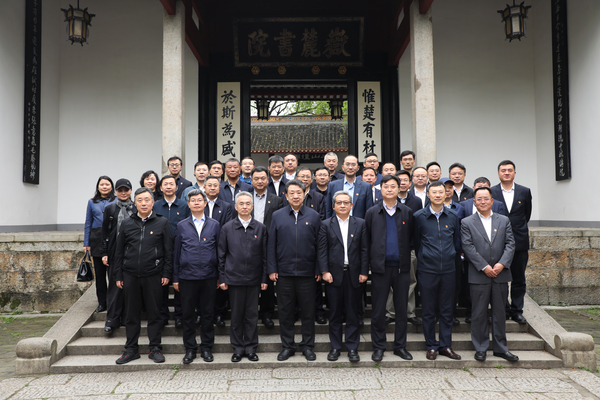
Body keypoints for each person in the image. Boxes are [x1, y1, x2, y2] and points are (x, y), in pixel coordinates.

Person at [113, 188, 172, 365]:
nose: (144, 203)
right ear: (135, 203)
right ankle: (131, 349)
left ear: (153, 202)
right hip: (130, 275)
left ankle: (155, 348)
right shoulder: (127, 223)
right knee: (131, 314)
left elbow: (169, 251)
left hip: (154, 275)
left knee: (155, 313)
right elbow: (119, 251)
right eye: (140, 200)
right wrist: (118, 275)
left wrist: (167, 273)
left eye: (147, 200)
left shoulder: (162, 223)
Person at [267, 179, 322, 361]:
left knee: (308, 311)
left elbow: (319, 245)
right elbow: (271, 244)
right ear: (286, 195)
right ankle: (288, 346)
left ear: (305, 193)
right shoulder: (277, 215)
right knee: (285, 312)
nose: (296, 196)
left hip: (307, 273)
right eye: (292, 193)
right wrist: (272, 268)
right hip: (284, 273)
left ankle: (307, 345)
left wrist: (318, 268)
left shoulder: (314, 216)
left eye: (299, 192)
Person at [462, 186, 518, 362]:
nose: (483, 202)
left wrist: (501, 264)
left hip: (501, 274)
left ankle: (501, 348)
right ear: (474, 202)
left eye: (486, 198)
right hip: (479, 275)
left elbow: (510, 244)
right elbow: (468, 247)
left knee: (500, 313)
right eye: (479, 199)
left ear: (492, 201)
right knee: (479, 313)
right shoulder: (466, 222)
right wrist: (484, 266)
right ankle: (480, 347)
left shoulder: (504, 220)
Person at [365, 175, 414, 362]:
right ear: (381, 189)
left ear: (399, 188)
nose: (390, 189)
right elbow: (367, 240)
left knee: (401, 309)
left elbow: (411, 238)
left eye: (393, 186)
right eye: (386, 186)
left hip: (401, 268)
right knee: (378, 310)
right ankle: (378, 346)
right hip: (380, 268)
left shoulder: (407, 211)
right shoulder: (372, 212)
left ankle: (400, 346)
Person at [318, 191, 368, 363]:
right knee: (335, 314)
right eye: (339, 202)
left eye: (346, 202)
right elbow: (322, 250)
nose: (342, 205)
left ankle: (353, 347)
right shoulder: (325, 224)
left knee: (353, 313)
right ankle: (335, 347)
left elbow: (364, 250)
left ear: (351, 205)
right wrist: (324, 271)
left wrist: (364, 271)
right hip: (333, 275)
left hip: (354, 275)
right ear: (333, 206)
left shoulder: (360, 224)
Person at [413, 181, 461, 361]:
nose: (438, 195)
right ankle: (431, 345)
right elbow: (417, 242)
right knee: (428, 310)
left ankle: (445, 345)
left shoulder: (453, 216)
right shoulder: (419, 216)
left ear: (446, 194)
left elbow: (456, 241)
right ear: (428, 194)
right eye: (434, 192)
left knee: (447, 309)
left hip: (448, 269)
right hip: (427, 269)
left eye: (441, 192)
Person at [218, 191, 268, 362]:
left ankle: (251, 347)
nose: (245, 207)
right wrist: (223, 278)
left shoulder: (260, 228)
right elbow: (221, 256)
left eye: (248, 204)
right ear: (236, 206)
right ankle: (238, 348)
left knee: (252, 315)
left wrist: (263, 279)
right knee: (237, 315)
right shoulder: (227, 228)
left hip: (254, 280)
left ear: (252, 206)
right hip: (234, 279)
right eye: (242, 204)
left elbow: (264, 256)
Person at [172, 189, 221, 364]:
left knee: (208, 314)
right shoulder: (182, 225)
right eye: (193, 200)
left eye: (200, 200)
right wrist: (176, 277)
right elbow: (176, 253)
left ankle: (207, 348)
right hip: (187, 277)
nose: (196, 203)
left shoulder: (214, 224)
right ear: (189, 204)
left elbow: (219, 252)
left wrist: (219, 276)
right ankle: (190, 349)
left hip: (209, 276)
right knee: (188, 315)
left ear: (205, 203)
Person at [491, 160, 532, 324]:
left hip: (519, 241)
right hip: (497, 242)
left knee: (519, 278)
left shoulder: (524, 191)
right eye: (503, 170)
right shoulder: (492, 191)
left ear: (514, 173)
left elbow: (526, 214)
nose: (506, 173)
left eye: (509, 170)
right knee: (500, 278)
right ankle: (504, 309)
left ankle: (517, 310)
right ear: (498, 173)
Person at [385, 170, 422, 326]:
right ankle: (391, 312)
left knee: (410, 282)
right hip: (389, 250)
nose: (402, 183)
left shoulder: (416, 201)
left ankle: (409, 312)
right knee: (390, 285)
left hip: (409, 250)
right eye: (399, 181)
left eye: (405, 180)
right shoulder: (384, 203)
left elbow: (416, 228)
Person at [154, 175, 190, 328]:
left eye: (171, 184)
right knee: (162, 282)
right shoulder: (155, 205)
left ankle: (179, 314)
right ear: (160, 188)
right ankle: (162, 315)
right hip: (159, 249)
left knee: (179, 283)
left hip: (180, 249)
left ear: (177, 187)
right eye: (165, 184)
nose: (168, 187)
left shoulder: (184, 205)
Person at [250, 166, 283, 328]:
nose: (260, 181)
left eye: (263, 178)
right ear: (251, 180)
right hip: (248, 244)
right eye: (256, 178)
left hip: (269, 244)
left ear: (268, 180)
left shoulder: (276, 200)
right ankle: (250, 313)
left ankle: (267, 314)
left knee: (268, 281)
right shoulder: (244, 197)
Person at [101, 178, 134, 334]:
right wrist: (105, 252)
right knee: (114, 287)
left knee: (129, 287)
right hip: (115, 252)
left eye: (125, 190)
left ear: (130, 191)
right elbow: (105, 232)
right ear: (116, 192)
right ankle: (112, 319)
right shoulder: (110, 209)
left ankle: (128, 318)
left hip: (132, 252)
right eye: (120, 190)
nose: (123, 193)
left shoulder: (136, 208)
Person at [204, 175, 234, 327]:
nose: (212, 188)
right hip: (201, 250)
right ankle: (203, 314)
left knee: (220, 282)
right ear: (204, 187)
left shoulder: (227, 206)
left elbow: (226, 227)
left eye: (215, 185)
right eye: (209, 185)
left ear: (219, 188)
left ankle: (219, 314)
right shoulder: (199, 204)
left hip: (220, 247)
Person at [84, 175, 116, 314]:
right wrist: (87, 242)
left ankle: (113, 302)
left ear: (111, 186)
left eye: (107, 184)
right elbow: (88, 223)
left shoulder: (116, 200)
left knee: (113, 274)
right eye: (102, 184)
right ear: (98, 186)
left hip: (113, 236)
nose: (104, 187)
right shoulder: (92, 202)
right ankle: (102, 303)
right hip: (96, 239)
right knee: (100, 275)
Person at [326, 155, 373, 219]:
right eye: (347, 164)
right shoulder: (333, 185)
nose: (350, 167)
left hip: (359, 226)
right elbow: (329, 209)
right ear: (342, 167)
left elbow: (369, 210)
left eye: (353, 165)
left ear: (358, 167)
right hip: (336, 224)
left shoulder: (366, 186)